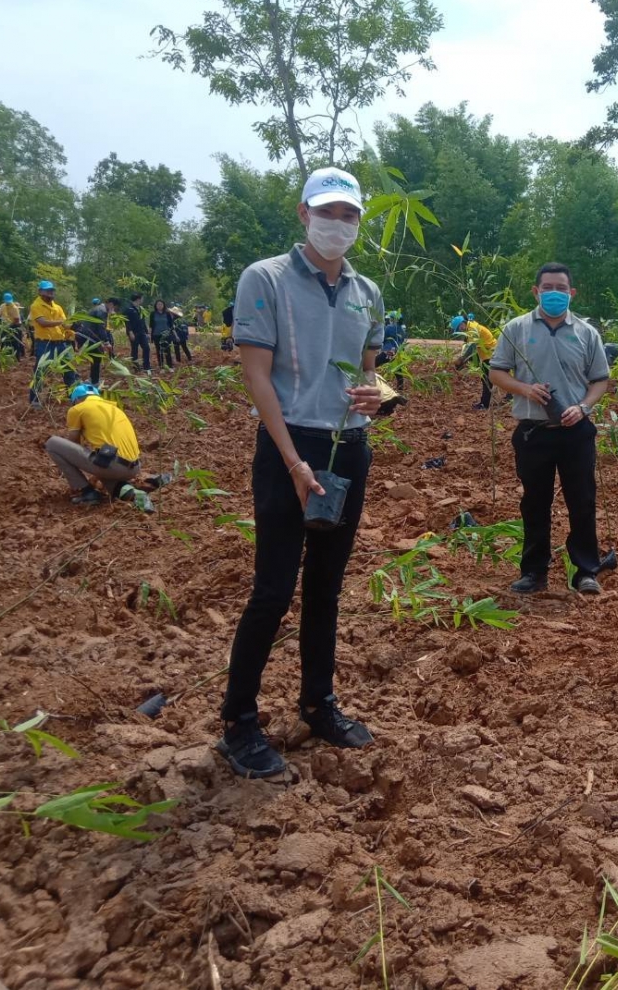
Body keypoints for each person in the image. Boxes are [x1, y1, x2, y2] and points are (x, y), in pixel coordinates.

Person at [219, 165, 385, 780]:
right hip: (289, 445)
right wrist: (292, 463)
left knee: (326, 586)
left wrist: (375, 395)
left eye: (350, 215)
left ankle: (318, 703)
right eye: (328, 212)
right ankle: (239, 722)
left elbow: (366, 373)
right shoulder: (265, 280)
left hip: (349, 446)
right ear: (303, 213)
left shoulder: (367, 292)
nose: (338, 225)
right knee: (272, 588)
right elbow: (257, 376)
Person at [489, 262, 610, 595]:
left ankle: (586, 570)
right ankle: (533, 572)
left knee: (582, 501)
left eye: (561, 288)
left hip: (575, 432)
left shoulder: (587, 333)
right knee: (535, 502)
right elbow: (497, 373)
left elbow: (600, 379)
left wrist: (583, 407)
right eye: (548, 288)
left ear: (571, 293)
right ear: (535, 291)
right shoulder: (515, 329)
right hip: (533, 432)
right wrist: (525, 389)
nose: (554, 293)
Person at [44, 384, 153, 511]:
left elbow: (74, 443)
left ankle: (87, 492)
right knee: (103, 464)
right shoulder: (115, 409)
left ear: (76, 400)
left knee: (52, 443)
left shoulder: (78, 409)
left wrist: (68, 469)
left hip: (113, 465)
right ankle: (134, 494)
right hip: (134, 467)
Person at [28, 280, 76, 405]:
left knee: (69, 370)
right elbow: (43, 323)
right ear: (40, 292)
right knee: (40, 371)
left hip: (60, 343)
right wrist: (60, 322)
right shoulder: (35, 306)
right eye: (47, 290)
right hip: (45, 344)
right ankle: (34, 399)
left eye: (52, 290)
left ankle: (73, 396)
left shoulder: (58, 307)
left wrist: (74, 326)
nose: (50, 293)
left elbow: (66, 324)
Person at [453, 313, 500, 409]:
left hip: (491, 354)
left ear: (462, 323)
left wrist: (462, 360)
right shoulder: (470, 327)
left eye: (459, 328)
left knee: (486, 379)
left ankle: (484, 404)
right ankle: (488, 401)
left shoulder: (472, 329)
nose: (460, 331)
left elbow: (471, 348)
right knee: (487, 378)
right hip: (486, 353)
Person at [78, 298, 112, 385]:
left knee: (95, 358)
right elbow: (101, 328)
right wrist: (106, 342)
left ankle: (93, 379)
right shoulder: (102, 311)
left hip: (86, 336)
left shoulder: (96, 310)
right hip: (89, 337)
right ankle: (94, 382)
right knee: (96, 358)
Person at [123, 293, 151, 371]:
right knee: (134, 350)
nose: (143, 300)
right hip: (134, 333)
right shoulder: (128, 309)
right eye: (142, 298)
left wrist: (147, 332)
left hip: (142, 332)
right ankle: (135, 367)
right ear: (138, 299)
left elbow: (142, 321)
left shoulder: (141, 308)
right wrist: (130, 332)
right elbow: (127, 322)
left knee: (146, 348)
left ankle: (146, 365)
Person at [0, 292, 25, 361]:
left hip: (15, 326)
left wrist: (9, 326)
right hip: (5, 327)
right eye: (6, 302)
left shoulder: (15, 308)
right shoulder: (2, 306)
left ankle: (17, 358)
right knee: (5, 343)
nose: (8, 303)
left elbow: (16, 320)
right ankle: (6, 358)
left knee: (15, 343)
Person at [150, 298, 174, 369]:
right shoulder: (153, 314)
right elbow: (151, 325)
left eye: (161, 304)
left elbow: (171, 325)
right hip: (156, 334)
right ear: (156, 306)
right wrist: (149, 334)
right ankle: (161, 367)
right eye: (158, 304)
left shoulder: (167, 313)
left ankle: (170, 366)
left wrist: (171, 333)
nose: (159, 306)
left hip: (166, 335)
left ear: (163, 305)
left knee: (167, 350)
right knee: (159, 351)